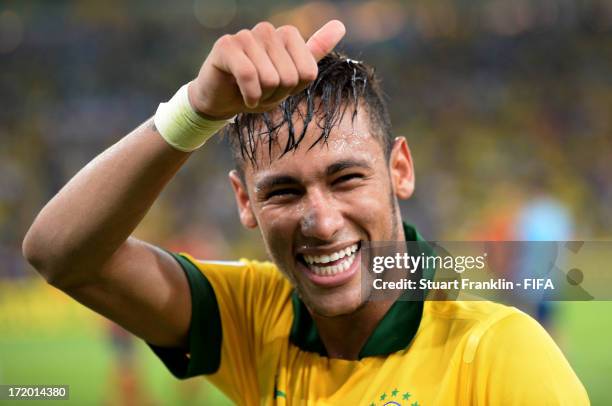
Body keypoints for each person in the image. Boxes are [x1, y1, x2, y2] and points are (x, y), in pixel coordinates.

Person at [23, 20, 588, 405]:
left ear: (401, 170)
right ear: (245, 202)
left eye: (346, 178)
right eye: (284, 192)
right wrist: (193, 110)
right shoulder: (255, 316)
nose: (320, 220)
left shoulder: (501, 353)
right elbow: (60, 254)